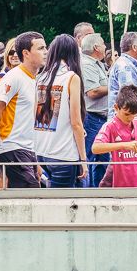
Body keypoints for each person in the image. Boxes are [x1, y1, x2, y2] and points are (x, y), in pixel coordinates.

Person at [0, 31, 46, 188]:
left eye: (45, 47)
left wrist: (34, 159)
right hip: (12, 146)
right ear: (26, 53)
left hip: (25, 148)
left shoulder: (32, 79)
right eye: (40, 48)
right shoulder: (14, 77)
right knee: (31, 193)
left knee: (7, 188)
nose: (46, 52)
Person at [34, 34, 87, 188]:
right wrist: (83, 159)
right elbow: (76, 122)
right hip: (63, 153)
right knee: (65, 200)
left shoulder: (41, 77)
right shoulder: (71, 77)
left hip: (41, 150)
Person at [92, 86, 137, 188]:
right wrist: (124, 145)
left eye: (134, 114)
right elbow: (95, 148)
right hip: (122, 187)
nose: (130, 118)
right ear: (116, 107)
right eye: (126, 114)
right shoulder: (110, 126)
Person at [80, 33, 109, 187]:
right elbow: (93, 91)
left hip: (100, 118)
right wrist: (115, 86)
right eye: (103, 43)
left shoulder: (97, 64)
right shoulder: (87, 65)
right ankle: (90, 192)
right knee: (93, 157)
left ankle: (99, 190)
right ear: (96, 47)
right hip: (93, 118)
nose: (105, 47)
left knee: (101, 159)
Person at [108, 32, 137, 129]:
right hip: (129, 127)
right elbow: (129, 101)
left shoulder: (132, 65)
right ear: (134, 47)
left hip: (134, 125)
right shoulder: (125, 67)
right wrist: (135, 129)